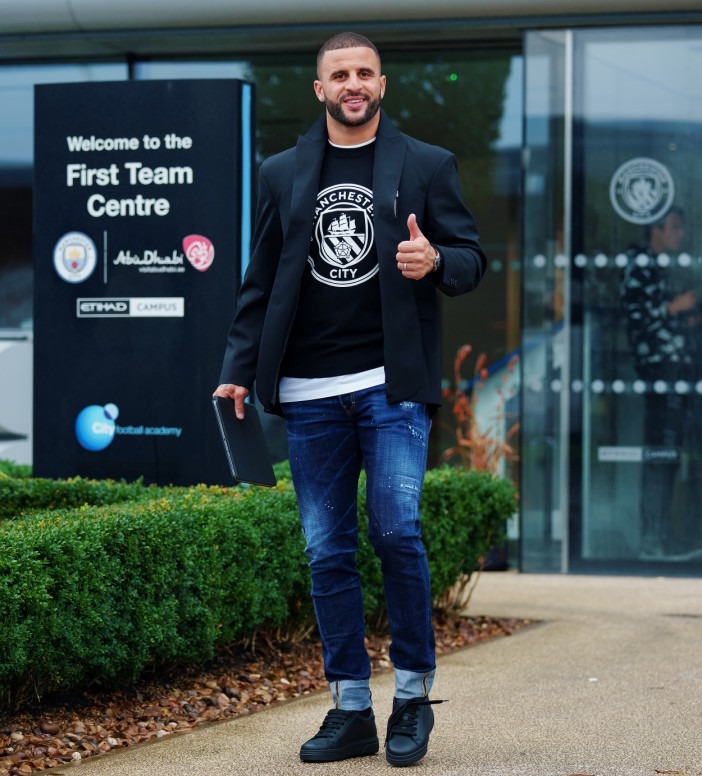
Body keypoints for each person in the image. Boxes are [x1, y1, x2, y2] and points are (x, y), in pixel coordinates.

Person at [214, 31, 486, 766]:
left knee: (396, 531)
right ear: (319, 89)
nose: (353, 83)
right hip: (307, 393)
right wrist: (239, 365)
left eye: (364, 71)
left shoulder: (426, 164)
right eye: (340, 74)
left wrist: (436, 261)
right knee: (326, 549)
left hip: (389, 386)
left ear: (382, 84)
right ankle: (351, 709)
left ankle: (414, 699)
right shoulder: (282, 171)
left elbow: (472, 258)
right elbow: (261, 280)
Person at [621, 206, 701, 559]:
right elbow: (635, 318)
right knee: (660, 455)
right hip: (659, 373)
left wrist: (685, 317)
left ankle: (662, 538)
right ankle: (652, 540)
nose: (680, 235)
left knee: (668, 455)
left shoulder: (657, 265)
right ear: (656, 229)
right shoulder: (639, 264)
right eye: (675, 228)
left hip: (676, 372)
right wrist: (675, 308)